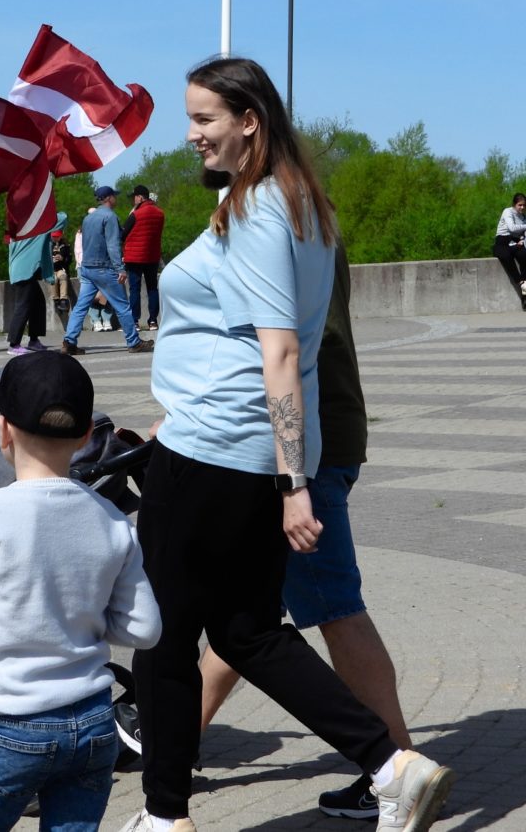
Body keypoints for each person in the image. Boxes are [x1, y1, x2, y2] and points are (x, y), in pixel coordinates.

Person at [121, 57, 452, 832]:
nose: (192, 134)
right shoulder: (299, 202)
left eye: (204, 118)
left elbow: (281, 351)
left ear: (250, 121)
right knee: (248, 632)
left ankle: (165, 818)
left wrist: (294, 481)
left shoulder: (262, 210)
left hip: (213, 452)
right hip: (226, 444)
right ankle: (392, 766)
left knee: (161, 636)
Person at [198, 244, 413, 822]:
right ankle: (172, 736)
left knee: (336, 608)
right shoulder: (313, 219)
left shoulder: (275, 227)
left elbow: (276, 347)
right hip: (320, 435)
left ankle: (401, 769)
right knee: (247, 606)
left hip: (299, 447)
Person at [0, 350, 161, 832]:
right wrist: (86, 616)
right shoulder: (113, 521)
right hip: (94, 722)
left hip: (12, 724)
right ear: (85, 435)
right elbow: (145, 629)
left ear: (3, 430)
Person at [60, 186, 154, 357]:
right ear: (109, 198)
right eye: (114, 196)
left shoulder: (88, 218)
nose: (116, 199)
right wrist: (120, 268)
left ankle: (69, 342)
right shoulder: (109, 216)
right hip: (103, 268)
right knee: (123, 306)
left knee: (81, 306)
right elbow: (113, 244)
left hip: (87, 268)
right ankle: (134, 342)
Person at [5, 214, 62, 356]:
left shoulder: (19, 228)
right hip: (25, 271)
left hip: (22, 270)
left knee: (38, 303)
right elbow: (62, 218)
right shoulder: (37, 227)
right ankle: (14, 344)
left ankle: (34, 340)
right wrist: (45, 207)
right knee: (23, 306)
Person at [120, 185, 164, 331]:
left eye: (134, 197)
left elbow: (123, 234)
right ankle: (153, 321)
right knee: (152, 288)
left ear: (140, 197)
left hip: (135, 257)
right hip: (152, 256)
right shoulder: (160, 213)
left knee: (134, 289)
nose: (133, 200)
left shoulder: (136, 214)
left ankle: (135, 321)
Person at [492, 192, 526, 304]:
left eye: (524, 205)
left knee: (524, 255)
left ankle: (525, 292)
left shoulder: (523, 217)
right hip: (502, 242)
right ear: (514, 204)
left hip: (515, 242)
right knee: (506, 256)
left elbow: (522, 233)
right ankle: (521, 282)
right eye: (520, 205)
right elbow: (512, 228)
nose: (522, 207)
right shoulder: (508, 211)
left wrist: (522, 240)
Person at [50, 225, 73, 312]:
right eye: (54, 236)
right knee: (54, 279)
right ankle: (56, 300)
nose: (55, 238)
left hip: (61, 268)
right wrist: (51, 259)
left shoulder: (65, 246)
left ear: (61, 236)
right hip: (51, 270)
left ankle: (63, 300)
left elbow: (69, 260)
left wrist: (63, 258)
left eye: (57, 236)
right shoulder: (48, 245)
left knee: (63, 276)